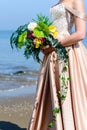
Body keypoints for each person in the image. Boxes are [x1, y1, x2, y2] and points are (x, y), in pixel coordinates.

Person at [28, 0, 87, 129]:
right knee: (53, 89)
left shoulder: (76, 0)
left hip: (67, 50)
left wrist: (53, 46)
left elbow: (80, 34)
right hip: (52, 51)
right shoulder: (59, 1)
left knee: (67, 89)